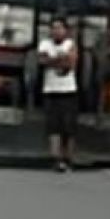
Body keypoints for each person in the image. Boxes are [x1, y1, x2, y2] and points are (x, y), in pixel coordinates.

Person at [38, 16, 78, 173]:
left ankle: (69, 158)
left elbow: (71, 62)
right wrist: (60, 58)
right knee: (53, 126)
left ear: (65, 30)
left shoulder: (70, 44)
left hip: (68, 90)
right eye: (53, 28)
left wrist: (53, 60)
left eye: (59, 28)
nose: (56, 31)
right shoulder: (44, 44)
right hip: (51, 90)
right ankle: (56, 158)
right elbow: (42, 60)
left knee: (69, 127)